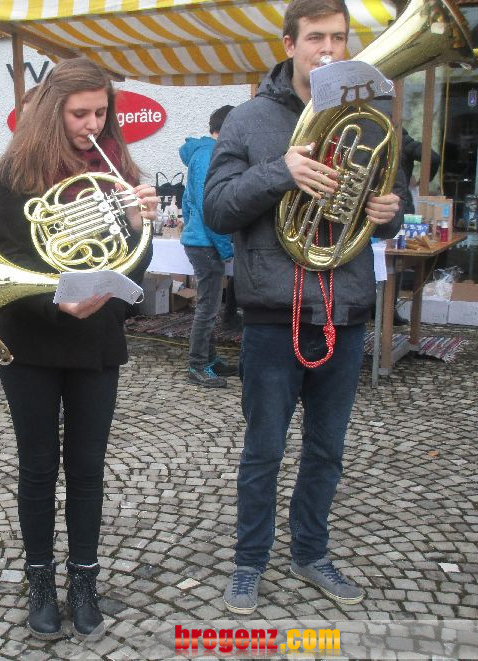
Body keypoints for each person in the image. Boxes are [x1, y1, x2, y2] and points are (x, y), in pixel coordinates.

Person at [205, 0, 404, 615]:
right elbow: (217, 209)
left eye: (338, 38)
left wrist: (387, 214)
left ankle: (311, 552)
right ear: (289, 44)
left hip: (345, 307)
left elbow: (386, 203)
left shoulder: (371, 117)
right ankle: (249, 562)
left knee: (327, 449)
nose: (329, 50)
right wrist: (281, 171)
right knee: (264, 449)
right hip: (273, 312)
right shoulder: (248, 119)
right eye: (316, 37)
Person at [0, 57, 156, 640]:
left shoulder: (118, 169)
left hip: (95, 341)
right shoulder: (15, 174)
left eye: (101, 113)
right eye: (79, 113)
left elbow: (134, 268)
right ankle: (40, 581)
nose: (92, 125)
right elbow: (6, 264)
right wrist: (54, 304)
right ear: (52, 112)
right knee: (37, 468)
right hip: (32, 340)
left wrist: (136, 223)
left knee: (87, 469)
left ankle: (84, 580)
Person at [179, 105, 237, 387]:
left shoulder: (201, 153)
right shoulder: (208, 155)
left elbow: (188, 203)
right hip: (205, 243)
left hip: (201, 240)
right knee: (208, 307)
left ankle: (210, 359)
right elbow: (209, 207)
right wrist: (226, 247)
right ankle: (198, 365)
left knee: (210, 305)